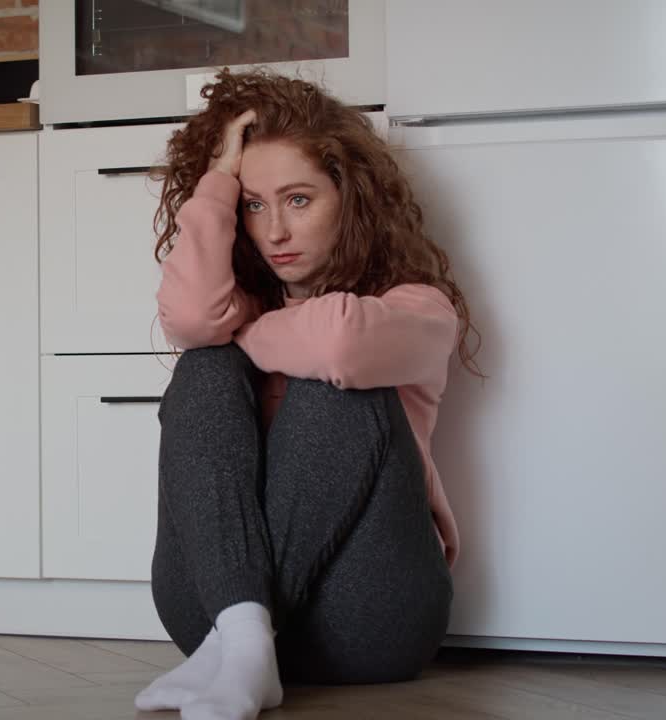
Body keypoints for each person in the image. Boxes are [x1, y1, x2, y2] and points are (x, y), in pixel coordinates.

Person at [136, 68, 479, 720]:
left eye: (298, 199)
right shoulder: (229, 313)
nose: (274, 233)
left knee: (338, 386)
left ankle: (240, 644)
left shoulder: (417, 310)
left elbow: (340, 346)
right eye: (253, 205)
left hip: (369, 616)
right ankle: (241, 638)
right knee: (202, 371)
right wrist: (215, 186)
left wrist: (240, 333)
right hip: (208, 613)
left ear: (350, 199)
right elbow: (186, 317)